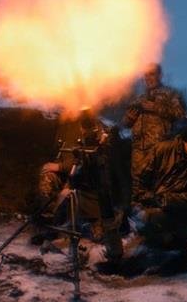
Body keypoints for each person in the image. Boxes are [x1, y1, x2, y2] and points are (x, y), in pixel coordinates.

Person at [35, 109, 126, 263]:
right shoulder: (85, 144)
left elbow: (99, 174)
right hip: (88, 196)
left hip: (99, 198)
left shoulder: (103, 147)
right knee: (69, 200)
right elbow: (75, 175)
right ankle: (57, 229)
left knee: (102, 233)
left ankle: (111, 251)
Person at [126, 119, 187, 275]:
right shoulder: (162, 150)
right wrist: (138, 200)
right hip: (155, 203)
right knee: (141, 216)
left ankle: (179, 250)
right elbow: (140, 176)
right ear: (185, 141)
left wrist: (167, 200)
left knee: (153, 218)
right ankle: (155, 247)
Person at [123, 63, 187, 203]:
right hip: (138, 152)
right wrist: (130, 117)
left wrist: (155, 107)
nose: (148, 78)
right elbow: (126, 123)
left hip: (159, 149)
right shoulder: (138, 98)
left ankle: (158, 219)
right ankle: (139, 218)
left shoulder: (171, 94)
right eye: (146, 75)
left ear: (160, 75)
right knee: (138, 186)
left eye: (152, 74)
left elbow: (182, 115)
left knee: (159, 186)